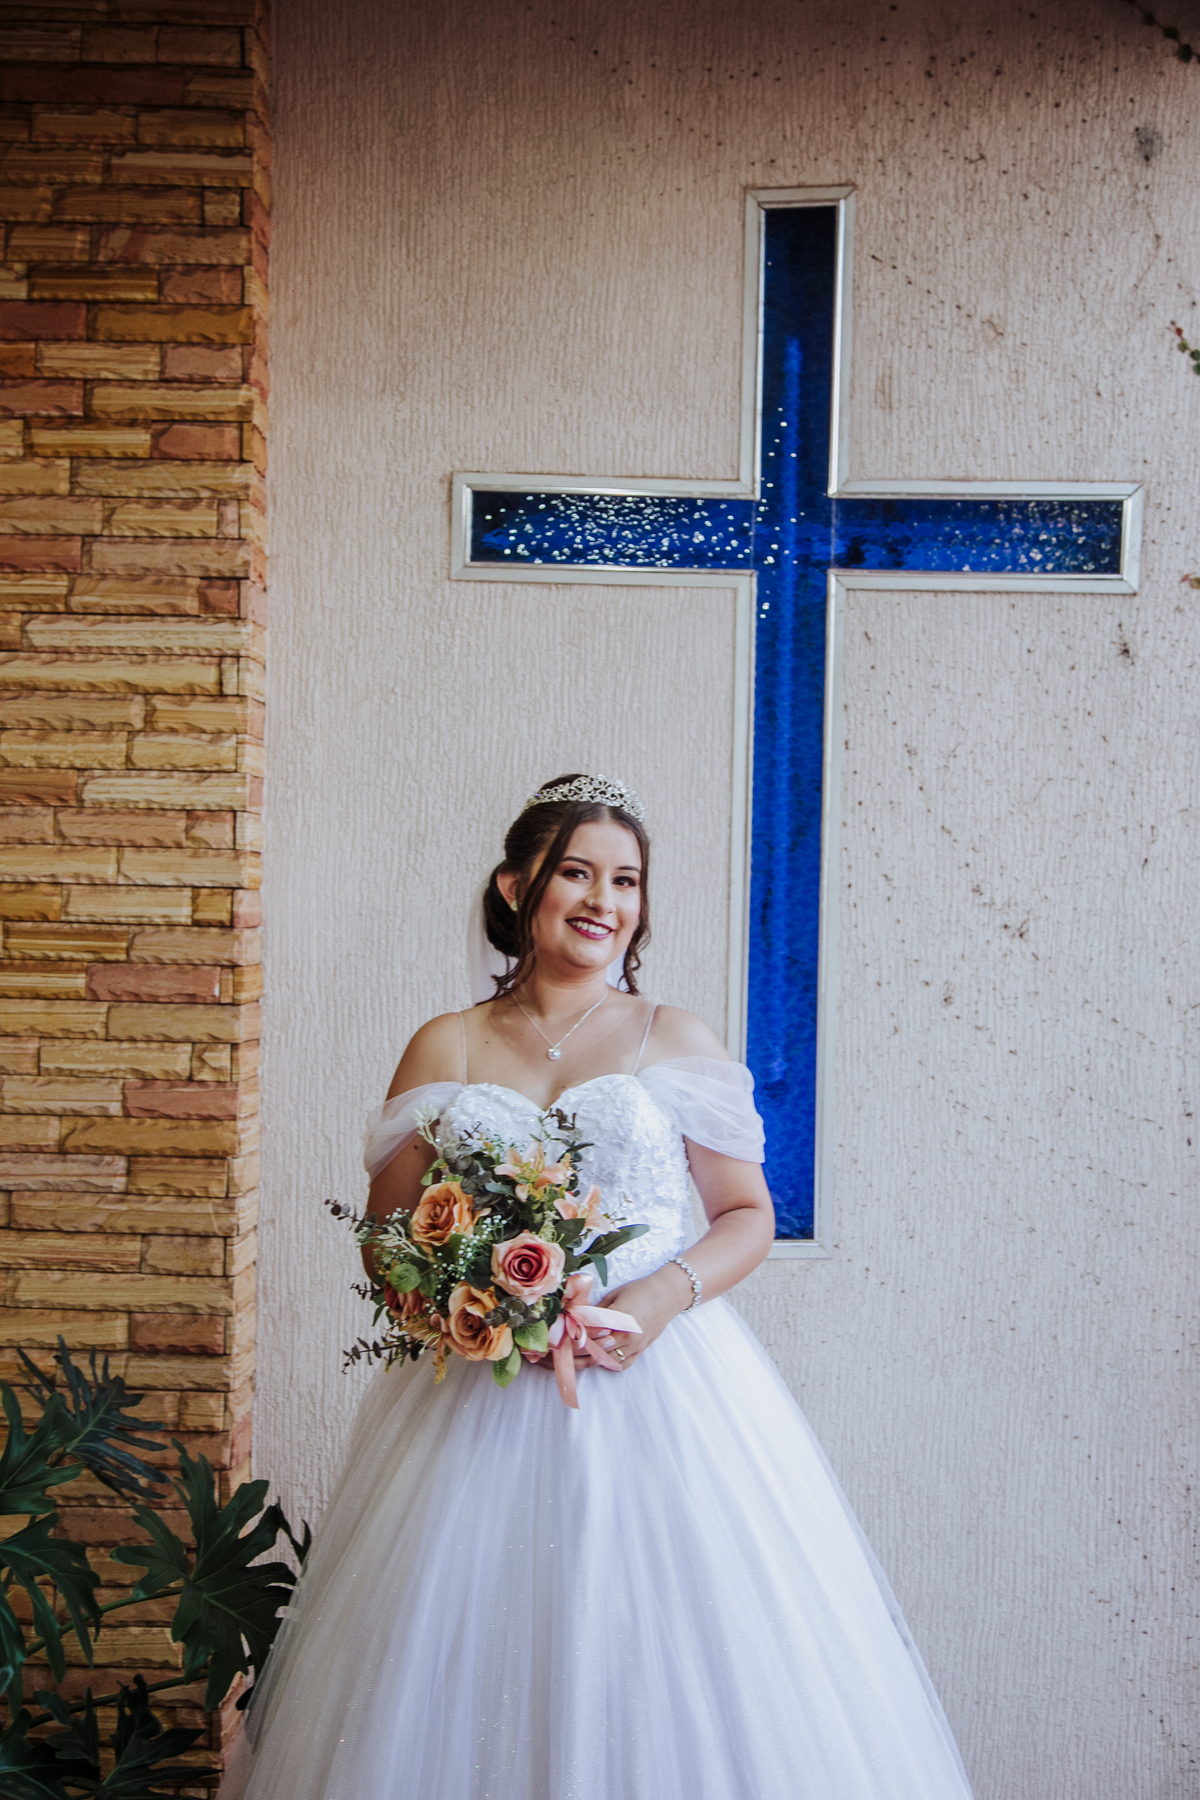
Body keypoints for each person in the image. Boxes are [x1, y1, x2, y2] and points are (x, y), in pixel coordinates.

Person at [221, 774, 975, 1800]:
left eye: (626, 880)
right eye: (577, 872)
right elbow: (388, 1237)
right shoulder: (447, 1043)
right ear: (516, 886)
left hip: (658, 1387)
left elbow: (747, 1215)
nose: (603, 900)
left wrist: (659, 1300)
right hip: (478, 1400)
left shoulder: (676, 1037)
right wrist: (474, 1305)